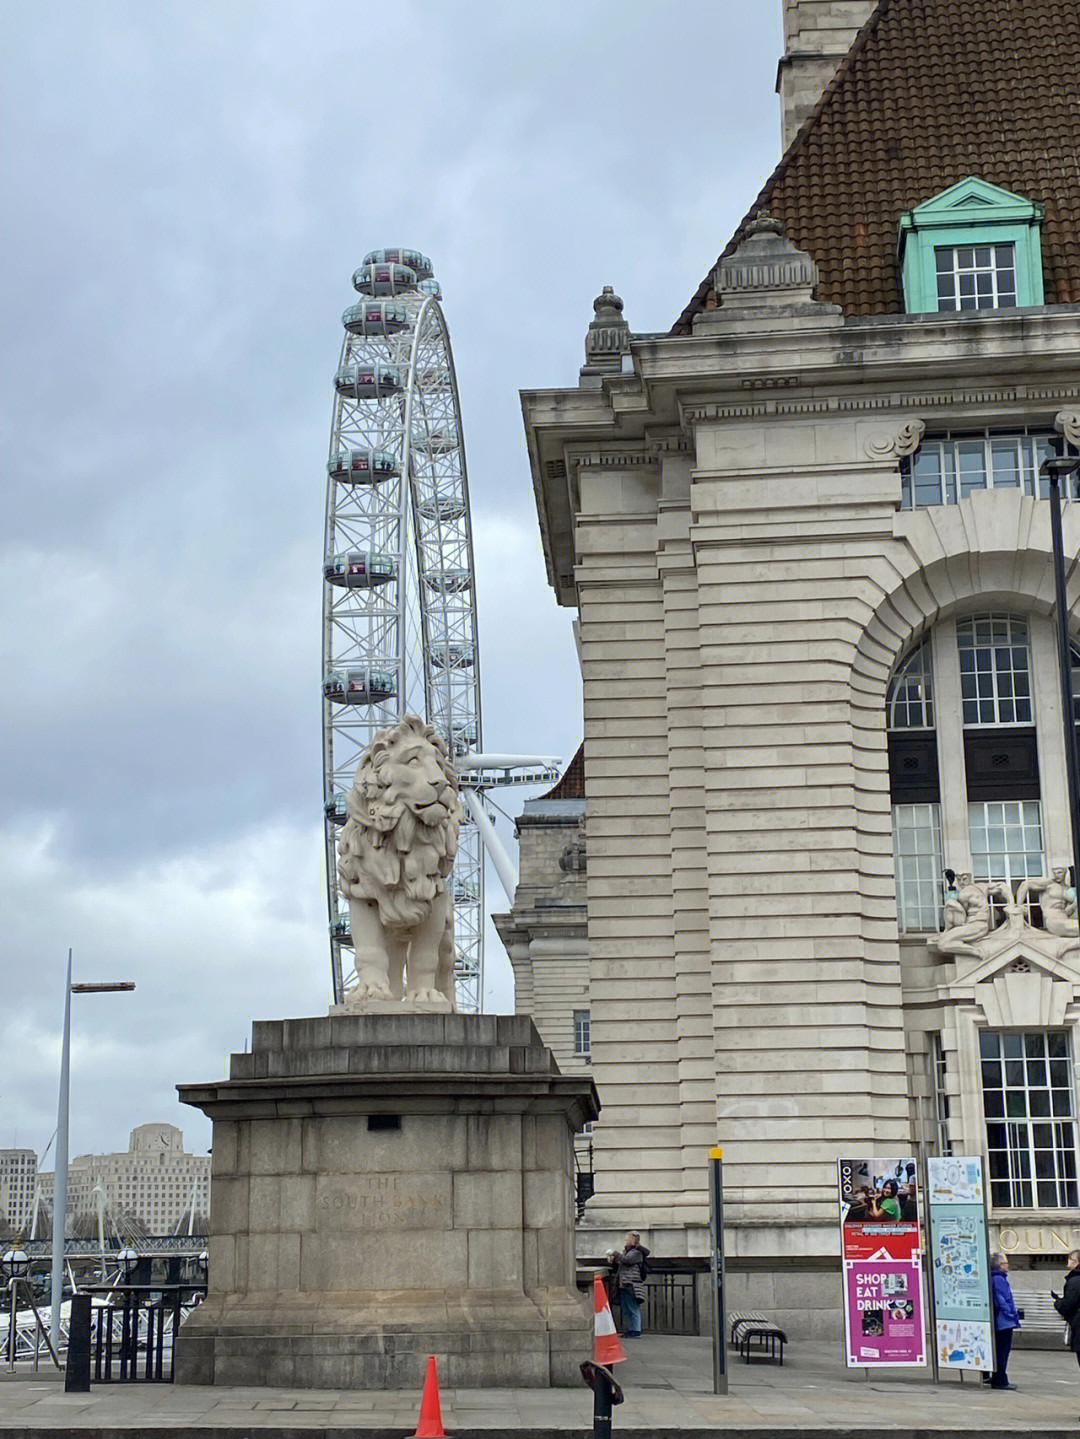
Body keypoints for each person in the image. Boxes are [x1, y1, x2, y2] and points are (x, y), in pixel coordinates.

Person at [1052, 1249, 1080, 1419]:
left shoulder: (1075, 1281)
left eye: (1070, 1259)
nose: (1068, 1262)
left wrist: (1057, 1302)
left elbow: (1067, 1306)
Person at [607, 1231, 650, 1338]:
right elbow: (621, 1264)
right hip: (624, 1283)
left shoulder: (636, 1253)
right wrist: (613, 1261)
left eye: (627, 1239)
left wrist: (616, 1254)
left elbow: (627, 1260)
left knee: (632, 1307)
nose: (625, 1241)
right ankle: (631, 1329)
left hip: (631, 1283)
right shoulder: (627, 1252)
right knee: (626, 1307)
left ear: (633, 1241)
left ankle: (636, 1330)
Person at [989, 1252, 1021, 1389]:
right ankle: (1000, 1379)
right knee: (1003, 1350)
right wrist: (1012, 1314)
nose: (1008, 1265)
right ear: (999, 1265)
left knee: (998, 1349)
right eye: (1005, 1262)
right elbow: (1003, 1299)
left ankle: (996, 1376)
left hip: (999, 1320)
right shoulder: (999, 1279)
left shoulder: (993, 1278)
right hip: (1004, 1321)